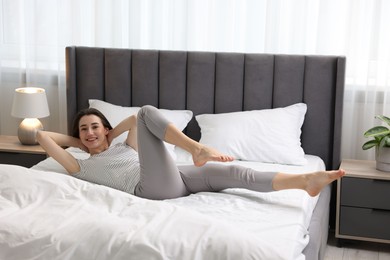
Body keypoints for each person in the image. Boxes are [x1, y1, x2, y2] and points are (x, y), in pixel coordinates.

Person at [37, 105, 345, 200]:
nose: (89, 133)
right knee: (147, 111)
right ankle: (197, 149)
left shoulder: (125, 144)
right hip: (149, 187)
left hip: (175, 175)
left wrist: (108, 133)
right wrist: (78, 145)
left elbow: (131, 122)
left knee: (236, 173)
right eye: (83, 130)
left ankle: (305, 180)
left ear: (104, 128)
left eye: (94, 127)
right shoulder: (80, 167)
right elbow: (41, 134)